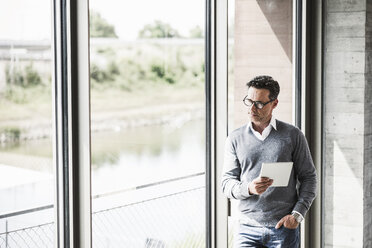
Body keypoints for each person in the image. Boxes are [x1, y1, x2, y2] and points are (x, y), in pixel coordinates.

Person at [221, 75, 317, 247]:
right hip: (246, 229)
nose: (252, 108)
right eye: (249, 101)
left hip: (283, 228)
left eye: (258, 103)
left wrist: (297, 215)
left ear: (274, 104)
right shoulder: (235, 138)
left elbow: (309, 178)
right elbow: (226, 184)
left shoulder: (293, 135)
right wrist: (249, 188)